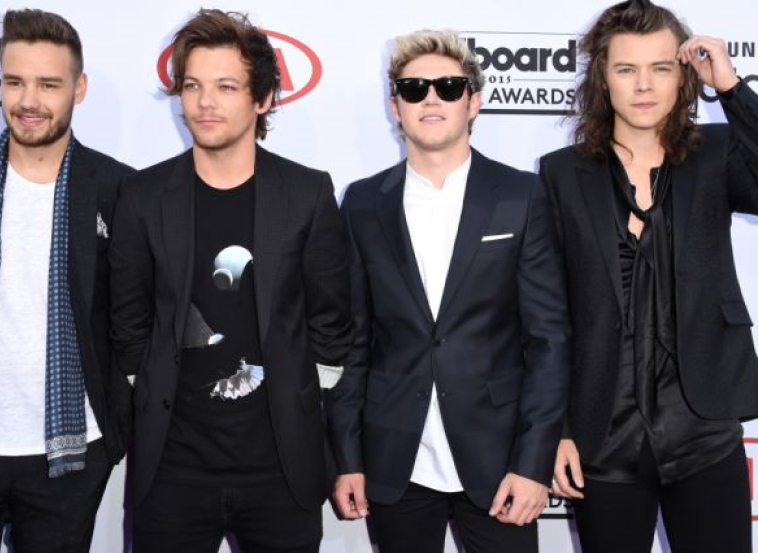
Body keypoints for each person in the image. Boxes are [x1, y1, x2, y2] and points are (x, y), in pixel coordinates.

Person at [108, 9, 352, 553]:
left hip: (281, 471)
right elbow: (128, 320)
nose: (204, 102)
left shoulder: (307, 194)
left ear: (262, 99)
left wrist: (302, 399)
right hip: (172, 471)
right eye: (192, 85)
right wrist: (147, 385)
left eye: (225, 86)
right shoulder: (143, 196)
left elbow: (331, 319)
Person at [327, 29, 570, 553]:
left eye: (449, 87)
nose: (431, 99)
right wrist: (347, 458)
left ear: (473, 101)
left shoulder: (522, 195)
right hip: (395, 459)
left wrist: (533, 463)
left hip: (501, 463)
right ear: (395, 106)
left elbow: (548, 340)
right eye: (413, 89)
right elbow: (352, 342)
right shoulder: (363, 203)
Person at [540, 1, 758, 551]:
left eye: (660, 67)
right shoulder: (561, 174)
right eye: (626, 69)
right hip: (602, 434)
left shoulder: (715, 154)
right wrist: (557, 430)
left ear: (682, 76)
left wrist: (730, 88)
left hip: (703, 427)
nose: (643, 85)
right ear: (602, 77)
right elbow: (548, 314)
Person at [0, 9, 133, 553]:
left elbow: (129, 320)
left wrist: (113, 437)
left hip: (71, 451)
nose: (28, 101)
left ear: (78, 89)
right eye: (15, 82)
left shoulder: (117, 187)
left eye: (48, 84)